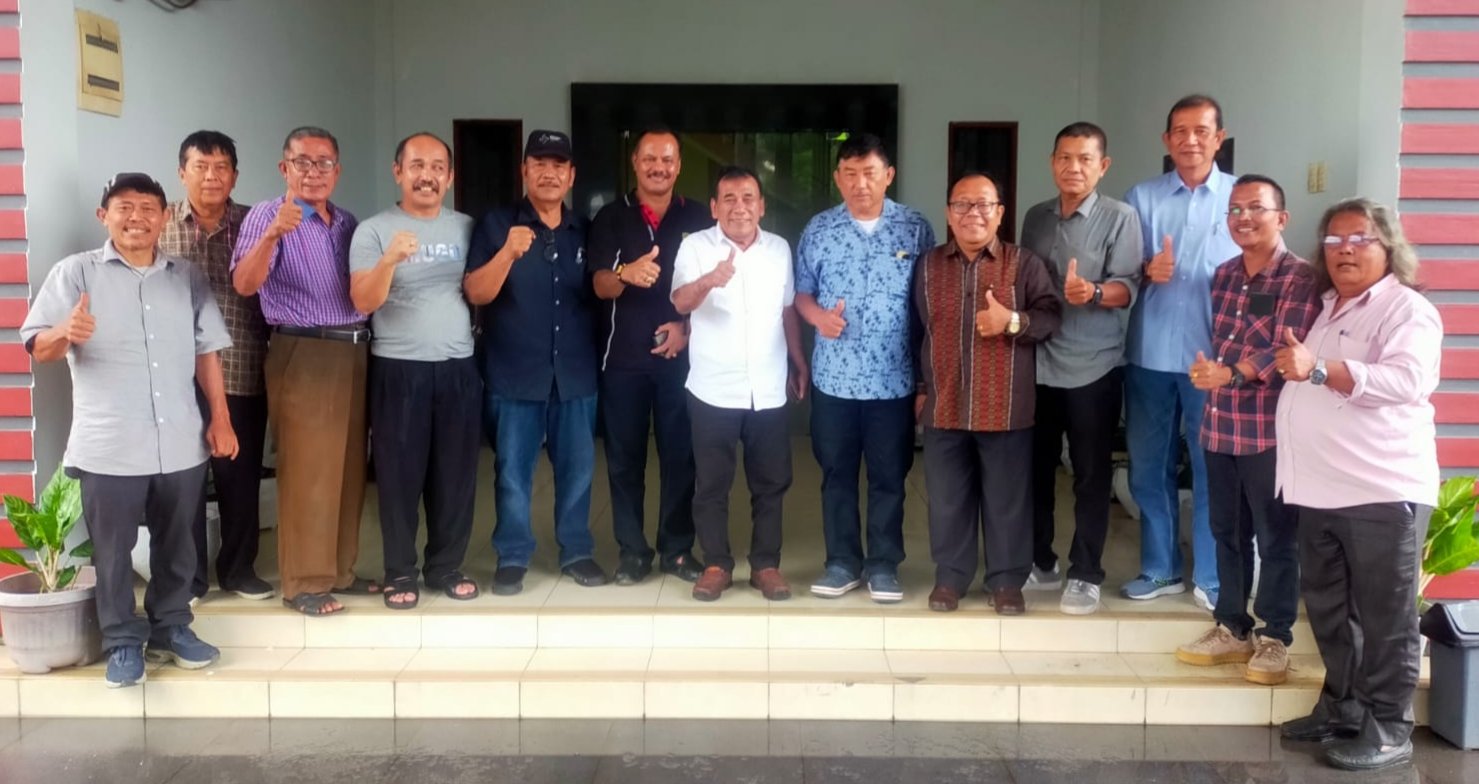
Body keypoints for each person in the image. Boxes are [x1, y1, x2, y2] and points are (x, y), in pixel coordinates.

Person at [21, 173, 236, 687]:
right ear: (104, 216)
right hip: (109, 445)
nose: (136, 217)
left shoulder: (186, 277)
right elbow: (38, 346)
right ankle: (121, 641)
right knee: (113, 552)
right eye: (124, 207)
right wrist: (64, 331)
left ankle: (171, 627)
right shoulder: (76, 273)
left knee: (178, 543)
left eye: (147, 208)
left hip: (179, 438)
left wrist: (221, 419)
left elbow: (207, 351)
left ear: (164, 218)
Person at [1273, 198, 1441, 772]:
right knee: (1330, 610)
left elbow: (1407, 380)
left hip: (1379, 489)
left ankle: (1389, 727)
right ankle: (1343, 708)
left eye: (1360, 239)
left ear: (1388, 246)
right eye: (1334, 240)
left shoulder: (1406, 310)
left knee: (1385, 618)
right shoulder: (1326, 307)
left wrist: (1319, 369)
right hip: (1320, 489)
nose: (1344, 250)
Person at [1173, 174, 1320, 685]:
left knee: (1276, 537)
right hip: (1220, 426)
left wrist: (1233, 373)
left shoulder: (1300, 278)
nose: (1243, 218)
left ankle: (1275, 636)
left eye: (1256, 208)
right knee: (1226, 532)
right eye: (1235, 210)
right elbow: (1222, 342)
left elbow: (1286, 349)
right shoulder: (1224, 275)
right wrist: (1210, 373)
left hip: (1269, 431)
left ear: (1282, 217)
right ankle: (1232, 626)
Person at [232, 126, 376, 617]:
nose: (314, 172)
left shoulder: (347, 222)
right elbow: (245, 283)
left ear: (337, 170)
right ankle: (304, 583)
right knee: (309, 470)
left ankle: (340, 571)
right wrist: (274, 234)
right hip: (304, 349)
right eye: (303, 162)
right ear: (284, 168)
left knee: (349, 468)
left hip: (354, 350)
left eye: (324, 163)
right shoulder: (267, 216)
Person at [794, 133, 935, 604]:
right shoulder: (819, 229)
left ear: (888, 175)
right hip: (834, 379)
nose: (860, 184)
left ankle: (883, 565)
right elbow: (801, 293)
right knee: (836, 474)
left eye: (869, 173)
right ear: (837, 178)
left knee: (889, 476)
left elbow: (928, 304)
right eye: (850, 174)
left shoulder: (914, 228)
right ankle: (841, 563)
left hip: (894, 382)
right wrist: (818, 318)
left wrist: (925, 382)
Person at [466, 130, 605, 595]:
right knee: (512, 472)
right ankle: (512, 555)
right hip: (514, 371)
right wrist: (507, 252)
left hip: (575, 374)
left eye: (558, 165)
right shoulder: (496, 225)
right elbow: (476, 292)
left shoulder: (586, 229)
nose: (549, 173)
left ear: (572, 175)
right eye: (539, 163)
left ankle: (577, 550)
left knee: (578, 470)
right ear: (524, 170)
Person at [916, 172, 1061, 616]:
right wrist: (920, 389)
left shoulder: (1024, 263)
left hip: (1005, 404)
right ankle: (950, 578)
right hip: (944, 402)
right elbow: (915, 331)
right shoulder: (928, 265)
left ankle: (1006, 582)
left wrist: (1011, 321)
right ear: (949, 214)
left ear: (1000, 213)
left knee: (1007, 500)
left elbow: (1050, 316)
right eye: (962, 204)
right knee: (947, 499)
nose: (972, 213)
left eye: (983, 204)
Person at [349, 132, 481, 609]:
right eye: (417, 166)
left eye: (437, 167)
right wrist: (389, 259)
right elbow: (363, 301)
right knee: (399, 476)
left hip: (458, 367)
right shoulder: (373, 231)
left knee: (455, 475)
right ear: (398, 172)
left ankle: (446, 566)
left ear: (450, 176)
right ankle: (400, 571)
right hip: (398, 368)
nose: (427, 176)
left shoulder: (467, 228)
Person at [1122, 95, 1240, 610]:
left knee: (1213, 469)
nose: (1190, 140)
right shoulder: (1141, 198)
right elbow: (1120, 271)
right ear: (1166, 140)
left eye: (1201, 131)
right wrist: (1146, 270)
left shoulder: (1239, 198)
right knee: (1149, 467)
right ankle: (1160, 567)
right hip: (1149, 353)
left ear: (1219, 138)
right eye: (1180, 131)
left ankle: (1213, 577)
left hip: (1213, 363)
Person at [1019, 122, 1141, 615]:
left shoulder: (1120, 217)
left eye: (1085, 159)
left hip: (1094, 366)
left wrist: (1091, 292)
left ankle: (1086, 572)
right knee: (1035, 469)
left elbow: (1128, 288)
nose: (1073, 167)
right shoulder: (1036, 216)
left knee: (1090, 474)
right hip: (1038, 363)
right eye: (1065, 157)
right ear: (1052, 162)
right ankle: (1040, 560)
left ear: (1102, 166)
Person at [672, 166, 809, 602]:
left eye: (748, 197)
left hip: (767, 387)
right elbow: (680, 301)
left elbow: (787, 310)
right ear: (714, 207)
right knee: (711, 483)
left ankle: (766, 565)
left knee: (771, 482)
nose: (739, 207)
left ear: (762, 206)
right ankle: (716, 564)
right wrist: (709, 280)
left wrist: (798, 360)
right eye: (728, 199)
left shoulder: (779, 249)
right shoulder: (695, 246)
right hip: (713, 388)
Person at [587, 126, 712, 585]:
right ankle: (632, 552)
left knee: (681, 457)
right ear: (635, 163)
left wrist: (687, 328)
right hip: (623, 361)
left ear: (678, 166)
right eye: (650, 159)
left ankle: (677, 549)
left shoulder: (699, 217)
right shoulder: (610, 217)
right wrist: (625, 273)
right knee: (625, 460)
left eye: (667, 160)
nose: (659, 167)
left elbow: (716, 288)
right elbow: (599, 285)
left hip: (683, 361)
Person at [159, 130, 273, 602]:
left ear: (235, 176)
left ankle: (239, 569)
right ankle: (189, 578)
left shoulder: (253, 224)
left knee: (239, 475)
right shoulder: (159, 222)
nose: (211, 176)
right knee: (183, 479)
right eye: (201, 166)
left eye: (221, 167)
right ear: (182, 172)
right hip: (174, 375)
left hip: (242, 365)